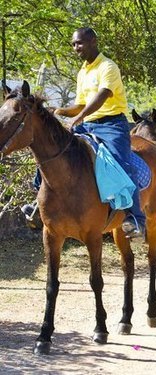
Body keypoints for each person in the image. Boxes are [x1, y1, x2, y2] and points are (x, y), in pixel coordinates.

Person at [21, 27, 145, 238]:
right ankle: (37, 204)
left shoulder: (108, 66)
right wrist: (60, 111)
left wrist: (77, 118)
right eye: (73, 44)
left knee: (120, 163)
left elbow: (102, 96)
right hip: (87, 124)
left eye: (79, 43)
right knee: (49, 150)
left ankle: (135, 218)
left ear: (93, 41)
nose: (76, 47)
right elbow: (80, 104)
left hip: (112, 125)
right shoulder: (82, 72)